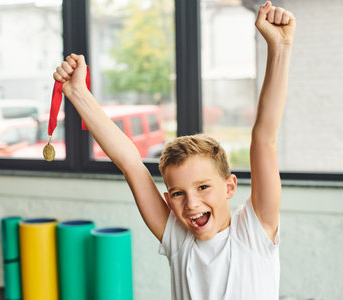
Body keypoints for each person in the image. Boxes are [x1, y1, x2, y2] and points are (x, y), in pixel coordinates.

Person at [53, 1, 295, 298]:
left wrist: (280, 48)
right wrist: (77, 92)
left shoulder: (253, 234)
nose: (191, 203)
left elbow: (264, 138)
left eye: (203, 186)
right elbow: (130, 163)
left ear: (230, 186)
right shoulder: (179, 240)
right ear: (167, 199)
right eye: (178, 193)